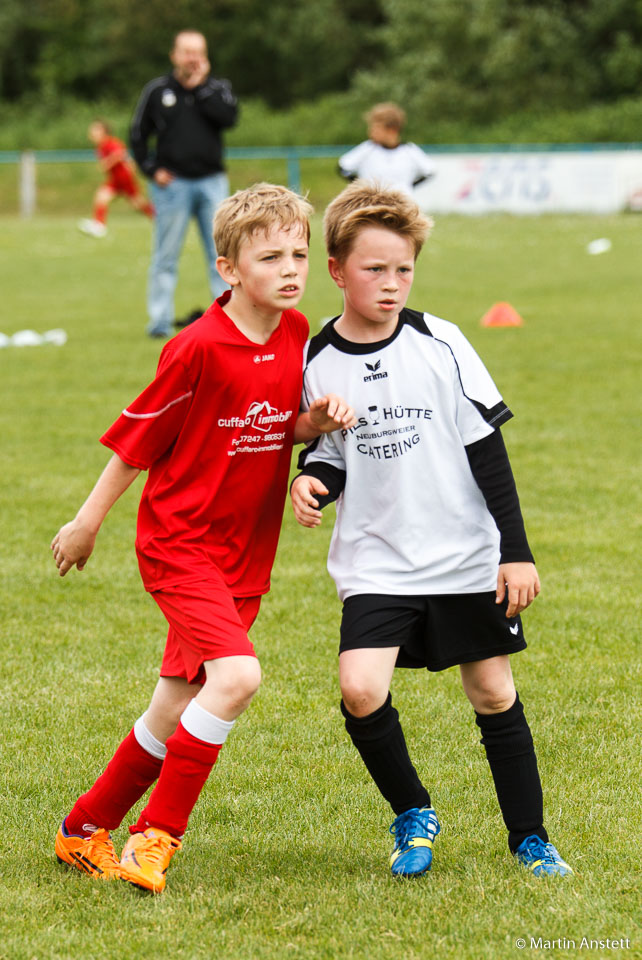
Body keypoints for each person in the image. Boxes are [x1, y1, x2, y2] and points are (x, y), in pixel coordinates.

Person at [51, 183, 356, 894]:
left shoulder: (294, 332)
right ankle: (156, 837)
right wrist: (86, 523)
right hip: (180, 543)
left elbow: (274, 425)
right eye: (270, 257)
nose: (290, 269)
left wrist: (314, 424)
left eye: (298, 254)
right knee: (238, 678)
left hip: (243, 553)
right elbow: (136, 445)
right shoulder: (196, 348)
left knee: (173, 705)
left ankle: (82, 830)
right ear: (229, 269)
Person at [290, 181, 573, 880]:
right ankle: (413, 811)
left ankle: (531, 838)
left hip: (463, 553)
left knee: (493, 693)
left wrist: (515, 552)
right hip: (377, 558)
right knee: (361, 689)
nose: (391, 284)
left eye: (404, 269)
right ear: (337, 271)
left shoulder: (441, 341)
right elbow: (331, 453)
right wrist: (311, 481)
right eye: (374, 269)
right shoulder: (316, 359)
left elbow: (488, 451)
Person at [130, 30, 238, 338]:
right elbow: (138, 135)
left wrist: (200, 87)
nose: (193, 58)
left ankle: (228, 322)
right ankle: (159, 323)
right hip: (173, 186)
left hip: (211, 183)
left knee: (221, 255)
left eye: (198, 52)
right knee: (165, 257)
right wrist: (151, 169)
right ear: (174, 55)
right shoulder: (157, 91)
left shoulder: (217, 88)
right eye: (187, 52)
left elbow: (229, 119)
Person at [338, 103, 435, 197]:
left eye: (376, 128)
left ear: (392, 129)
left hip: (401, 202)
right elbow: (343, 167)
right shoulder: (367, 148)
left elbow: (429, 172)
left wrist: (408, 187)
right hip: (373, 202)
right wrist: (363, 187)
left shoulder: (409, 150)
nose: (370, 132)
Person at [78, 120, 154, 238]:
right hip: (115, 180)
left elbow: (119, 154)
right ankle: (99, 225)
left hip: (124, 177)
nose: (92, 132)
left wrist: (107, 163)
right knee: (101, 195)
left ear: (104, 131)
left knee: (137, 203)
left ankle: (159, 218)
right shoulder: (100, 146)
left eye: (95, 130)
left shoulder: (110, 143)